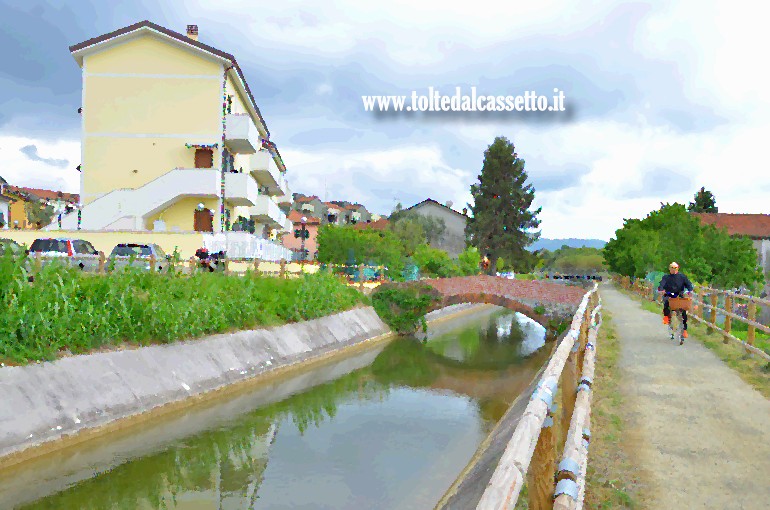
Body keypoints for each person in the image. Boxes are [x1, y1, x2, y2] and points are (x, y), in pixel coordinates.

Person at [658, 262, 694, 342]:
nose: (674, 270)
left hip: (679, 295)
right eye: (672, 268)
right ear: (669, 269)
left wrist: (690, 290)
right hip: (669, 294)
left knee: (684, 311)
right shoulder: (666, 277)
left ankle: (684, 330)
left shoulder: (682, 277)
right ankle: (667, 317)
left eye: (675, 268)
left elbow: (688, 284)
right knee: (666, 304)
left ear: (678, 268)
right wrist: (661, 290)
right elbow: (661, 285)